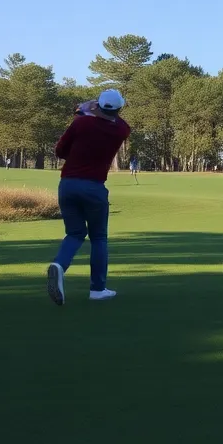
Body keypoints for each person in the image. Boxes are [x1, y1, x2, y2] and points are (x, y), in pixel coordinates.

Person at [47, 89, 131, 305]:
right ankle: (97, 289)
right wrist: (89, 111)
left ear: (99, 106)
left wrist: (84, 111)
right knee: (99, 238)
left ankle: (59, 265)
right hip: (94, 187)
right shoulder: (122, 129)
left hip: (68, 185)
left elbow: (60, 151)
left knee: (74, 233)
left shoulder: (81, 123)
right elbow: (111, 119)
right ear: (119, 109)